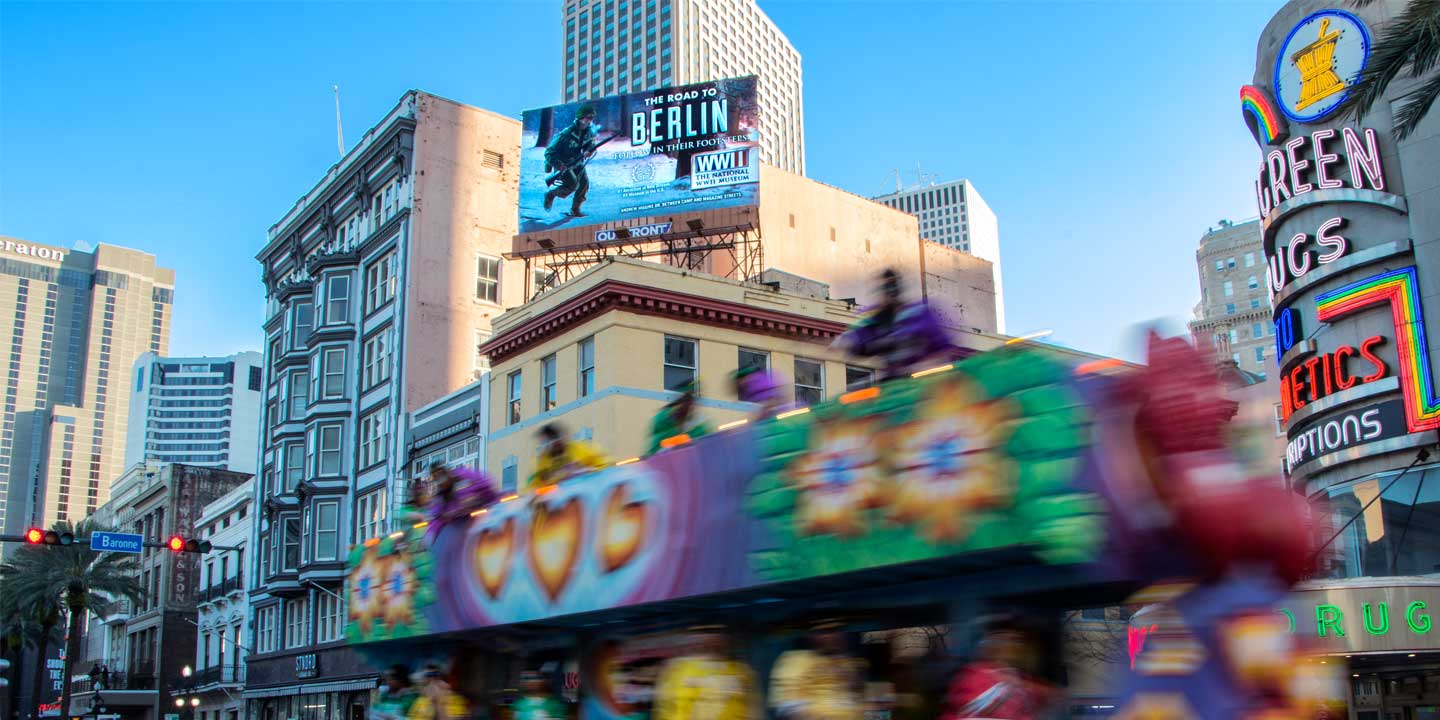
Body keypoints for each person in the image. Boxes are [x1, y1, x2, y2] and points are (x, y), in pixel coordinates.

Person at [833, 269, 955, 381]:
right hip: (895, 382)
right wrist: (845, 340)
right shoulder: (878, 320)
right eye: (884, 289)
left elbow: (943, 348)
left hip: (923, 379)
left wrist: (926, 365)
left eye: (891, 288)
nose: (887, 295)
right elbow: (858, 335)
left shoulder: (918, 314)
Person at [939, 619, 1054, 720]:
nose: (1013, 646)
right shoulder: (974, 676)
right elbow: (967, 710)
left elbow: (1047, 699)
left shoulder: (1020, 679)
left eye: (1017, 640)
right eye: (1004, 639)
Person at [653, 626, 760, 720]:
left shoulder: (741, 671)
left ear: (725, 639)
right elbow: (663, 709)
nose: (710, 638)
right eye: (702, 632)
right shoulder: (676, 669)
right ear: (693, 638)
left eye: (716, 631)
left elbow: (754, 710)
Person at [769, 621, 866, 720]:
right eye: (824, 631)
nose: (832, 636)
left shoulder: (851, 664)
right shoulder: (795, 661)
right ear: (812, 635)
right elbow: (788, 710)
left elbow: (857, 703)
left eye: (836, 630)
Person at [544, 104, 599, 217]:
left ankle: (575, 209)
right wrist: (559, 165)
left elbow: (591, 144)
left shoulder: (588, 132)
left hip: (577, 162)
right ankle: (551, 194)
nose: (590, 120)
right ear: (580, 117)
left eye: (592, 118)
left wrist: (589, 151)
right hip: (564, 164)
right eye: (588, 117)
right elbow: (549, 153)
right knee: (572, 185)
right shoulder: (566, 134)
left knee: (584, 184)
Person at [529, 423, 610, 490]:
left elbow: (606, 465)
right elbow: (533, 486)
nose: (551, 445)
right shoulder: (543, 461)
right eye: (545, 442)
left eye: (552, 440)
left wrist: (586, 470)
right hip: (561, 501)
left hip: (587, 492)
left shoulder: (580, 449)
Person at [647, 384, 713, 455]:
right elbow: (657, 447)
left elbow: (706, 445)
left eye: (692, 401)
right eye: (686, 400)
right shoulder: (663, 418)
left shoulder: (698, 426)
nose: (690, 406)